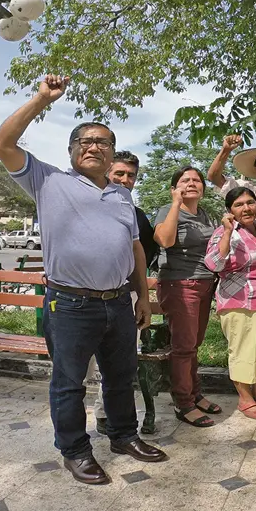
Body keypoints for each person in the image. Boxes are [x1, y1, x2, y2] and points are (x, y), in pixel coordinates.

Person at [0, 74, 167, 486]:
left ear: (112, 153)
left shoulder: (122, 196)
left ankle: (124, 436)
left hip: (119, 302)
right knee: (69, 383)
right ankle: (75, 450)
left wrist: (142, 298)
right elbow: (2, 144)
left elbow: (136, 251)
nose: (92, 146)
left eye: (101, 142)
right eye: (83, 142)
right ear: (71, 151)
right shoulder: (48, 180)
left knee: (120, 376)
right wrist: (41, 99)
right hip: (70, 304)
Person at [86, 151, 159, 434]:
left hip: (124, 298)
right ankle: (74, 429)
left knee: (119, 363)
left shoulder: (136, 216)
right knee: (86, 365)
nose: (125, 180)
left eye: (131, 176)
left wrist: (144, 298)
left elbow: (143, 260)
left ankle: (108, 417)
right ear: (107, 172)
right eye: (119, 174)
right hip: (84, 300)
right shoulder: (85, 206)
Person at [205, 187, 256, 420]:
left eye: (250, 202)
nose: (246, 208)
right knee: (243, 352)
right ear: (229, 210)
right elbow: (214, 263)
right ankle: (245, 399)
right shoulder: (225, 232)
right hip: (239, 301)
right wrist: (227, 232)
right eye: (239, 205)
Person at [153, 166, 221, 427]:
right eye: (185, 180)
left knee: (194, 344)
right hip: (179, 284)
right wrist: (175, 203)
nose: (192, 183)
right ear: (174, 187)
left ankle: (195, 394)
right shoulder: (168, 211)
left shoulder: (205, 215)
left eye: (196, 180)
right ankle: (183, 403)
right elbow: (165, 240)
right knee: (183, 347)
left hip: (205, 284)